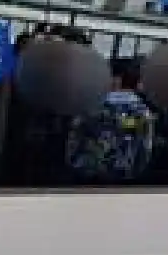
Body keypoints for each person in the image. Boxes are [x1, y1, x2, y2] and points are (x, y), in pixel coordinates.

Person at [66, 57, 156, 185]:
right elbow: (145, 149)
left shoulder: (89, 107)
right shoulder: (144, 113)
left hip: (86, 175)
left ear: (116, 80)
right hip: (126, 176)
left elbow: (74, 140)